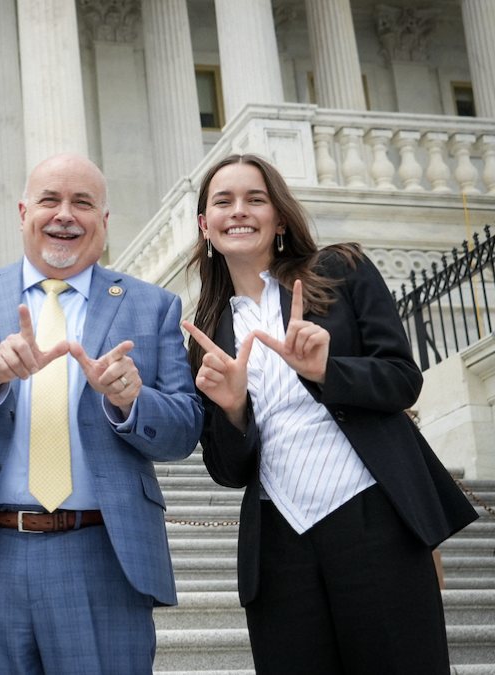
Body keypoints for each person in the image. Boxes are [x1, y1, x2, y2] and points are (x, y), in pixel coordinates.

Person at [0, 152, 203, 674]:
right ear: (23, 213)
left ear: (103, 220)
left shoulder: (152, 306)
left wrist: (131, 401)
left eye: (82, 203)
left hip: (102, 554)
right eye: (49, 200)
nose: (64, 215)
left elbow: (184, 430)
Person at [182, 153, 477, 674]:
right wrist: (232, 411)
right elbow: (228, 471)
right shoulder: (208, 334)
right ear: (206, 225)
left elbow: (402, 379)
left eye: (255, 198)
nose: (239, 210)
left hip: (372, 514)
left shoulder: (341, 271)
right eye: (223, 201)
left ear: (279, 218)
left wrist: (326, 371)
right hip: (278, 544)